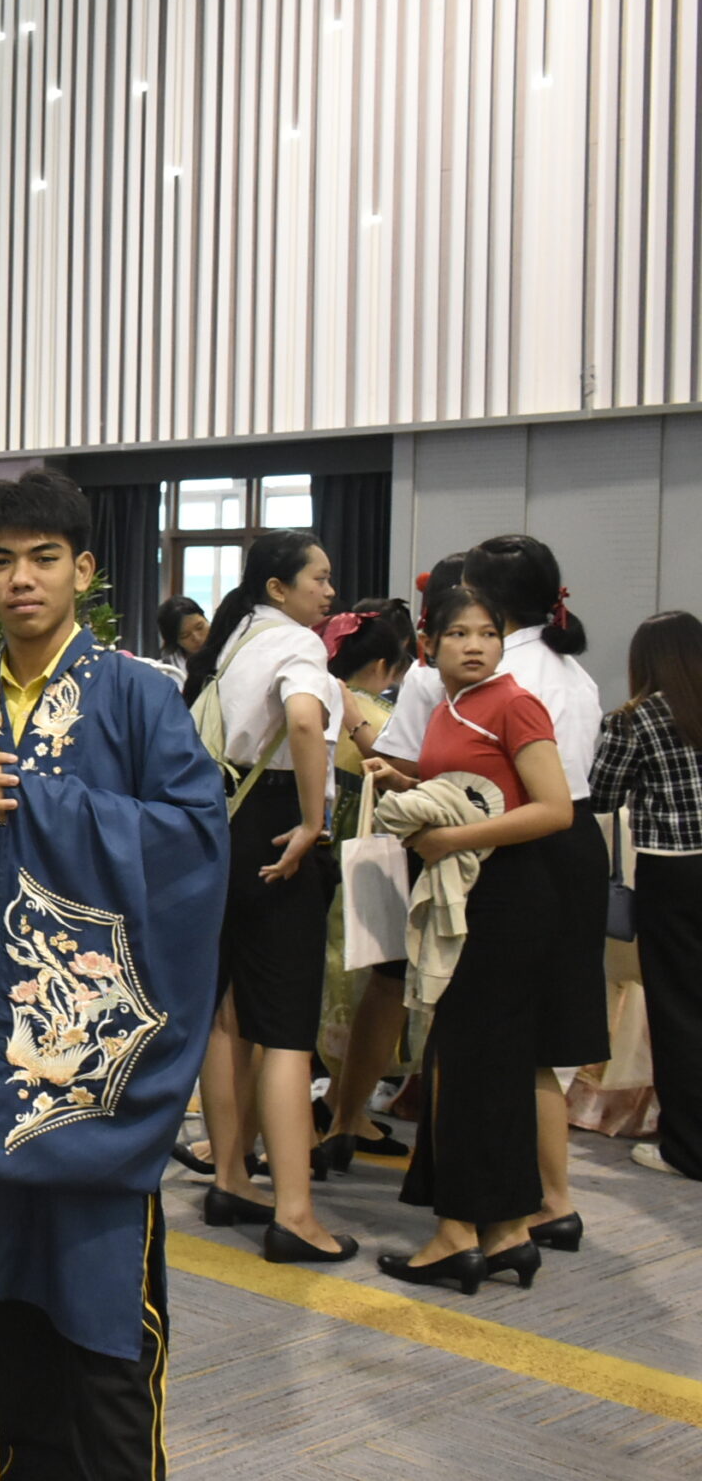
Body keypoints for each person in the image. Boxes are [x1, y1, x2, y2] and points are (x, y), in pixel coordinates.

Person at [0, 469, 226, 1480]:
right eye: (0, 560)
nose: (20, 578)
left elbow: (199, 843)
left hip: (87, 1084)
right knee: (12, 1320)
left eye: (43, 558)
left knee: (105, 1328)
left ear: (84, 569)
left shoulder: (139, 697)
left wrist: (40, 803)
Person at [377, 535, 605, 1249]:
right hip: (504, 868)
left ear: (502, 620)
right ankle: (510, 1221)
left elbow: (550, 805)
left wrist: (452, 838)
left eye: (484, 630)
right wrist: (410, 787)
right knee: (501, 1051)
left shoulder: (511, 694)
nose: (473, 644)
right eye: (458, 633)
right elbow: (476, 783)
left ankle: (477, 1223)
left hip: (510, 868)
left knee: (491, 1052)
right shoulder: (474, 694)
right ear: (430, 640)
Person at [182, 531, 357, 1264]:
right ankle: (296, 1214)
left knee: (227, 1015)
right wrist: (314, 821)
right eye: (320, 578)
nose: (330, 591)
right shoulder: (296, 643)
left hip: (223, 826)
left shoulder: (233, 641)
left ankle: (230, 1177)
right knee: (286, 1029)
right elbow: (307, 719)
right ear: (279, 588)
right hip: (280, 824)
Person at [590, 611, 702, 1181]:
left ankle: (688, 1148)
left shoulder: (635, 719)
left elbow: (601, 795)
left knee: (679, 1008)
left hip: (673, 872)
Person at [316, 599, 419, 1172]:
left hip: (323, 864)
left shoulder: (317, 702)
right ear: (383, 666)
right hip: (376, 871)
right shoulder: (385, 721)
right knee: (371, 988)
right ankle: (345, 1109)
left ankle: (337, 1106)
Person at [154, 596, 207, 681]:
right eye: (185, 635)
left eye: (200, 627)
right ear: (175, 641)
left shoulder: (227, 652)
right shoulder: (165, 672)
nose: (197, 638)